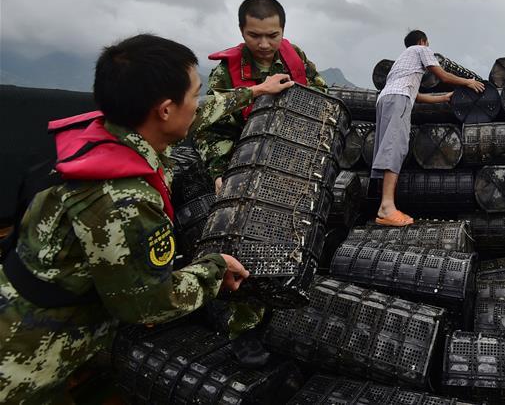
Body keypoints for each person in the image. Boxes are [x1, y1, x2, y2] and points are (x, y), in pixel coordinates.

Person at [0, 34, 293, 404]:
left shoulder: (118, 129)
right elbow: (148, 304)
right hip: (27, 359)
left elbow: (200, 111)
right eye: (193, 93)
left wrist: (255, 91)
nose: (197, 102)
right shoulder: (124, 200)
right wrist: (214, 270)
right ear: (166, 110)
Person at [195, 0, 327, 190]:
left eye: (273, 36)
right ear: (241, 31)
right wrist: (220, 173)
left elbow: (321, 95)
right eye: (254, 36)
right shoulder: (225, 73)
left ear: (283, 30)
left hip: (294, 159)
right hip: (246, 165)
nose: (264, 44)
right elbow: (211, 131)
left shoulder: (295, 57)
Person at [372, 30, 484, 226]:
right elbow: (442, 75)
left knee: (385, 147)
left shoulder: (401, 61)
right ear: (423, 41)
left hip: (385, 101)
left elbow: (416, 95)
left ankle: (384, 207)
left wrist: (442, 98)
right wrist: (468, 81)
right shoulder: (421, 49)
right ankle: (387, 207)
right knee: (395, 146)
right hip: (399, 100)